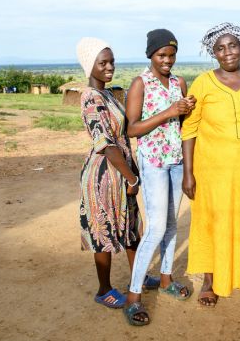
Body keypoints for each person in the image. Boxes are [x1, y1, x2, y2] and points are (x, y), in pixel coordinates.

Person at [181, 22, 240, 307]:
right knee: (212, 222)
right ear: (214, 53)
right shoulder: (203, 83)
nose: (228, 52)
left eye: (232, 45)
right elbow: (189, 128)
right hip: (211, 172)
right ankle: (210, 282)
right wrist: (188, 173)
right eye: (220, 48)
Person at [124, 29, 196, 325]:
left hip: (176, 160)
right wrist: (169, 112)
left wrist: (185, 110)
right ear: (150, 55)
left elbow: (184, 123)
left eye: (171, 54)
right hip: (153, 161)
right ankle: (133, 296)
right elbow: (131, 129)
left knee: (170, 225)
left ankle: (166, 281)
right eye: (161, 55)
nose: (167, 60)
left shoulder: (179, 82)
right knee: (155, 228)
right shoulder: (141, 83)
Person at [76, 37, 143, 313]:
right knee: (102, 231)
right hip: (104, 174)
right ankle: (104, 290)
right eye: (102, 62)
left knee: (130, 228)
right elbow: (105, 144)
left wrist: (131, 172)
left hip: (122, 171)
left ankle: (137, 278)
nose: (109, 67)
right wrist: (132, 178)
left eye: (111, 61)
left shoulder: (107, 94)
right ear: (89, 65)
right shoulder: (90, 97)